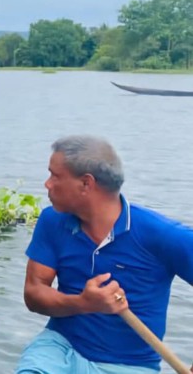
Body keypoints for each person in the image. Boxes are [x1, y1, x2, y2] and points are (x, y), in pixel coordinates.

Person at [17, 135, 193, 374]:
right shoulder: (52, 221)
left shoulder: (161, 234)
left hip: (128, 366)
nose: (47, 184)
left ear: (86, 184)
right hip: (59, 348)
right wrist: (83, 304)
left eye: (55, 176)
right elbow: (34, 293)